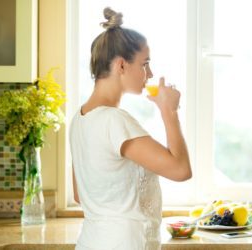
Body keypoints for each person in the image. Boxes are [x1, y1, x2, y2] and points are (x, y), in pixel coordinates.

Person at [69, 7, 192, 250]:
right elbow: (180, 170)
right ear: (121, 66)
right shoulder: (115, 121)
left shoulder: (80, 118)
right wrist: (170, 111)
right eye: (145, 64)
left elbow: (79, 195)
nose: (150, 73)